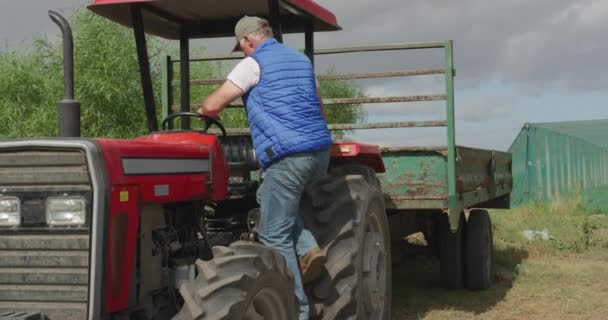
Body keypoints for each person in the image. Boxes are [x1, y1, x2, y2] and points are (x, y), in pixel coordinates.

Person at [196, 16, 332, 320]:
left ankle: (296, 311)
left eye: (241, 47)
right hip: (319, 154)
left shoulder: (253, 63)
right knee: (269, 198)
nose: (243, 52)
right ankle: (308, 247)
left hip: (288, 157)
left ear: (247, 41)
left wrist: (202, 110)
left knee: (274, 235)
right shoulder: (301, 61)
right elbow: (319, 108)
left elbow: (214, 105)